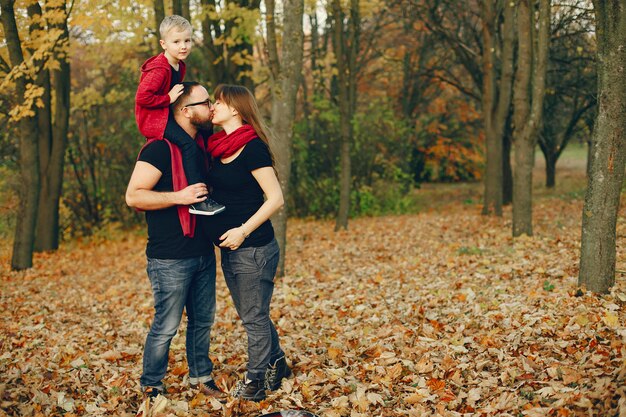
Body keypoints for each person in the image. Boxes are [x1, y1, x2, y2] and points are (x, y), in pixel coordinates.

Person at [126, 82, 225, 400]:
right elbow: (134, 196)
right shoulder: (158, 149)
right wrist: (179, 197)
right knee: (166, 325)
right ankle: (152, 383)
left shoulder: (204, 147)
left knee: (203, 321)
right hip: (169, 256)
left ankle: (201, 377)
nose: (210, 107)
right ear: (184, 110)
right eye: (204, 101)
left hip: (203, 250)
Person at [201, 84, 292, 402]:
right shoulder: (217, 147)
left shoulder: (252, 148)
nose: (213, 106)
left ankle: (256, 382)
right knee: (253, 314)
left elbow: (276, 198)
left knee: (254, 317)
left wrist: (242, 230)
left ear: (236, 109)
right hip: (231, 250)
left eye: (219, 102)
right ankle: (277, 362)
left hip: (254, 247)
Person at [135, 14, 224, 216]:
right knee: (188, 145)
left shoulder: (179, 64)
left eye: (187, 40)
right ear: (163, 44)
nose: (183, 46)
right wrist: (167, 99)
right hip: (154, 120)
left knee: (205, 132)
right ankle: (198, 202)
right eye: (176, 42)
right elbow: (142, 97)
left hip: (164, 114)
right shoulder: (160, 69)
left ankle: (213, 180)